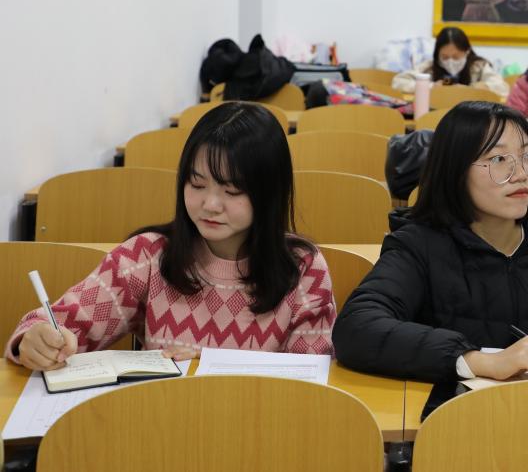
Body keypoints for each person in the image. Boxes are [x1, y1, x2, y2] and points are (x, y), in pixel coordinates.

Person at [5, 102, 336, 369]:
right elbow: (65, 321)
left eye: (232, 190)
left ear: (269, 194)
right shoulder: (147, 257)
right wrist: (35, 339)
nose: (210, 204)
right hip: (160, 424)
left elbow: (309, 377)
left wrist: (215, 365)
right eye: (197, 184)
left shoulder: (303, 269)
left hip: (261, 425)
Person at [334, 101, 528, 383]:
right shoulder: (419, 245)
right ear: (455, 171)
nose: (521, 174)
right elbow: (356, 328)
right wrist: (477, 361)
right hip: (450, 406)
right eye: (498, 159)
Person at [392, 26, 508, 96]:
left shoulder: (479, 66)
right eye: (445, 57)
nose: (450, 62)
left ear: (467, 52)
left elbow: (503, 88)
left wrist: (473, 89)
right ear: (437, 54)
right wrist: (430, 87)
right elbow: (398, 82)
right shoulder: (429, 67)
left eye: (456, 57)